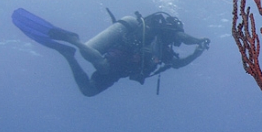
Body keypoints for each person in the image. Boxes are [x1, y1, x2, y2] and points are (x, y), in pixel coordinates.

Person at [12, 8, 209, 96]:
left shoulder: (164, 50)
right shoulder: (160, 31)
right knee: (103, 67)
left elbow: (177, 64)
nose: (177, 41)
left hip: (122, 69)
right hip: (120, 56)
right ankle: (74, 41)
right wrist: (198, 40)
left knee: (88, 91)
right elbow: (183, 37)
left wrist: (196, 54)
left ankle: (68, 53)